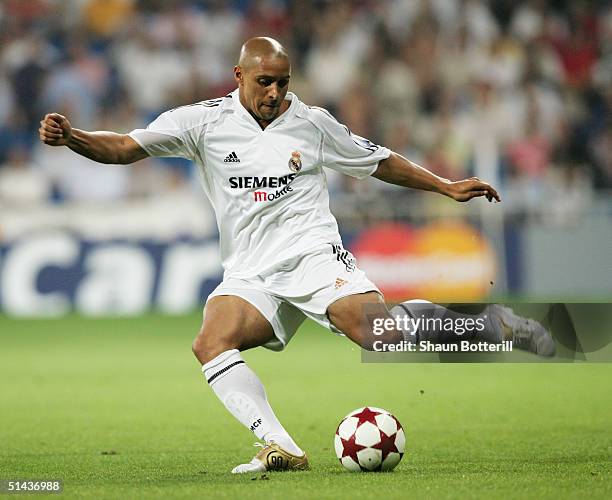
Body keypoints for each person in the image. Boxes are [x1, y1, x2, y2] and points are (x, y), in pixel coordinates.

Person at [39, 37, 554, 474]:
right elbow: (126, 147)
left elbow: (379, 162)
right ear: (238, 75)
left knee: (382, 334)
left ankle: (497, 326)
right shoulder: (202, 122)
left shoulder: (312, 123)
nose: (275, 92)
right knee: (211, 340)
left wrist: (445, 186)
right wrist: (74, 137)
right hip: (251, 270)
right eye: (264, 82)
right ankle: (282, 446)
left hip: (312, 255)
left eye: (283, 82)